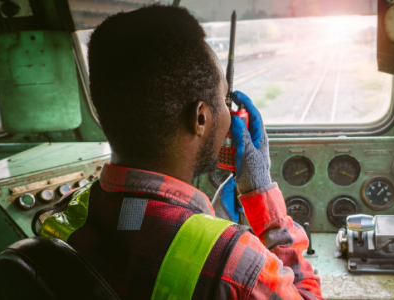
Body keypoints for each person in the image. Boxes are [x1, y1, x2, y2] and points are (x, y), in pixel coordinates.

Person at [40, 4, 324, 300]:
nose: (229, 113)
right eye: (223, 97)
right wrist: (262, 194)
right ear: (200, 118)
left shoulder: (63, 216)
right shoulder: (236, 261)